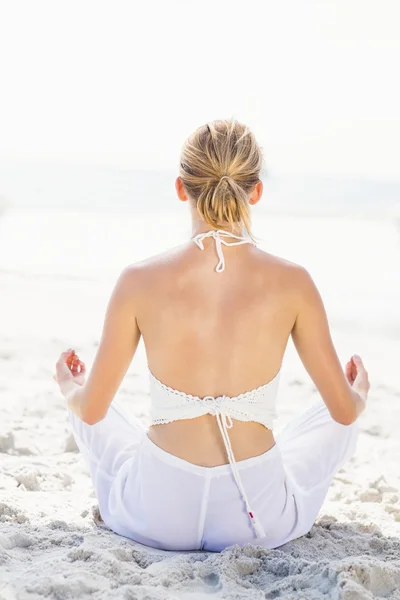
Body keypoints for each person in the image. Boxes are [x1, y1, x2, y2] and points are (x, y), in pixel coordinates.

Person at [54, 119, 369, 552]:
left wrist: (71, 388)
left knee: (99, 416)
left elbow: (91, 413)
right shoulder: (295, 282)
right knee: (328, 424)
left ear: (182, 188)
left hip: (159, 513)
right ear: (255, 191)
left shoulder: (138, 280)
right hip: (253, 518)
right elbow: (344, 413)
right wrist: (358, 393)